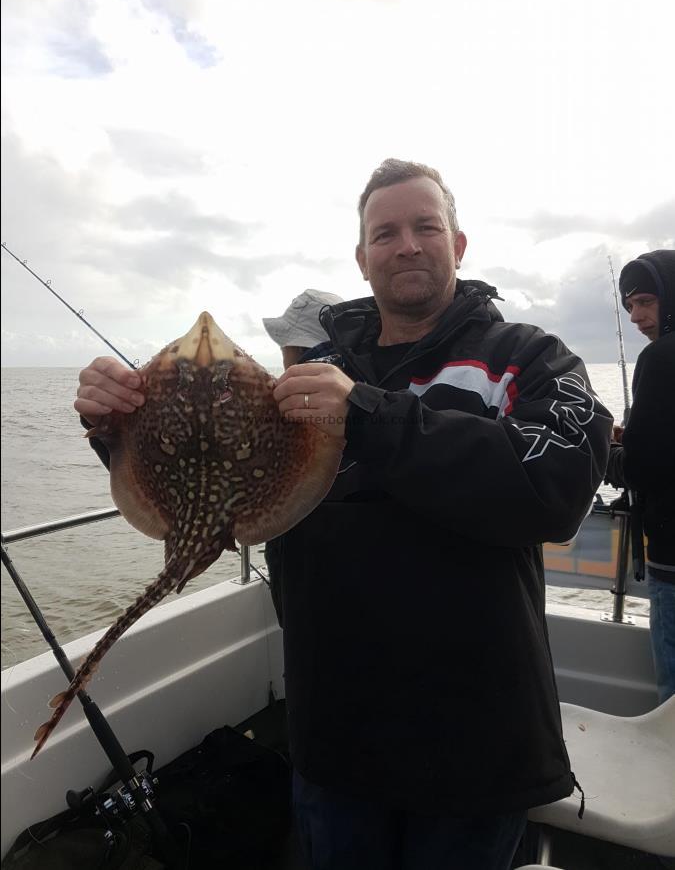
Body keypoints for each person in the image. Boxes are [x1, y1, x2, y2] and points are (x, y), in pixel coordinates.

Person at [74, 159, 613, 870]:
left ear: (458, 244)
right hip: (334, 735)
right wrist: (118, 425)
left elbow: (558, 485)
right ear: (362, 259)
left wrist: (368, 414)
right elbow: (221, 482)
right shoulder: (302, 379)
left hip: (478, 740)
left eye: (426, 226)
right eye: (384, 232)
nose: (407, 244)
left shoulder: (529, 358)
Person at [604, 249, 675, 705]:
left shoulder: (660, 358)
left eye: (646, 301)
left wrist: (610, 452)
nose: (636, 317)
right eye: (629, 306)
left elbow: (644, 467)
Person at [263, 289, 344, 369]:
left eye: (283, 347)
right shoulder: (350, 376)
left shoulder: (300, 380)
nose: (282, 349)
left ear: (299, 348)